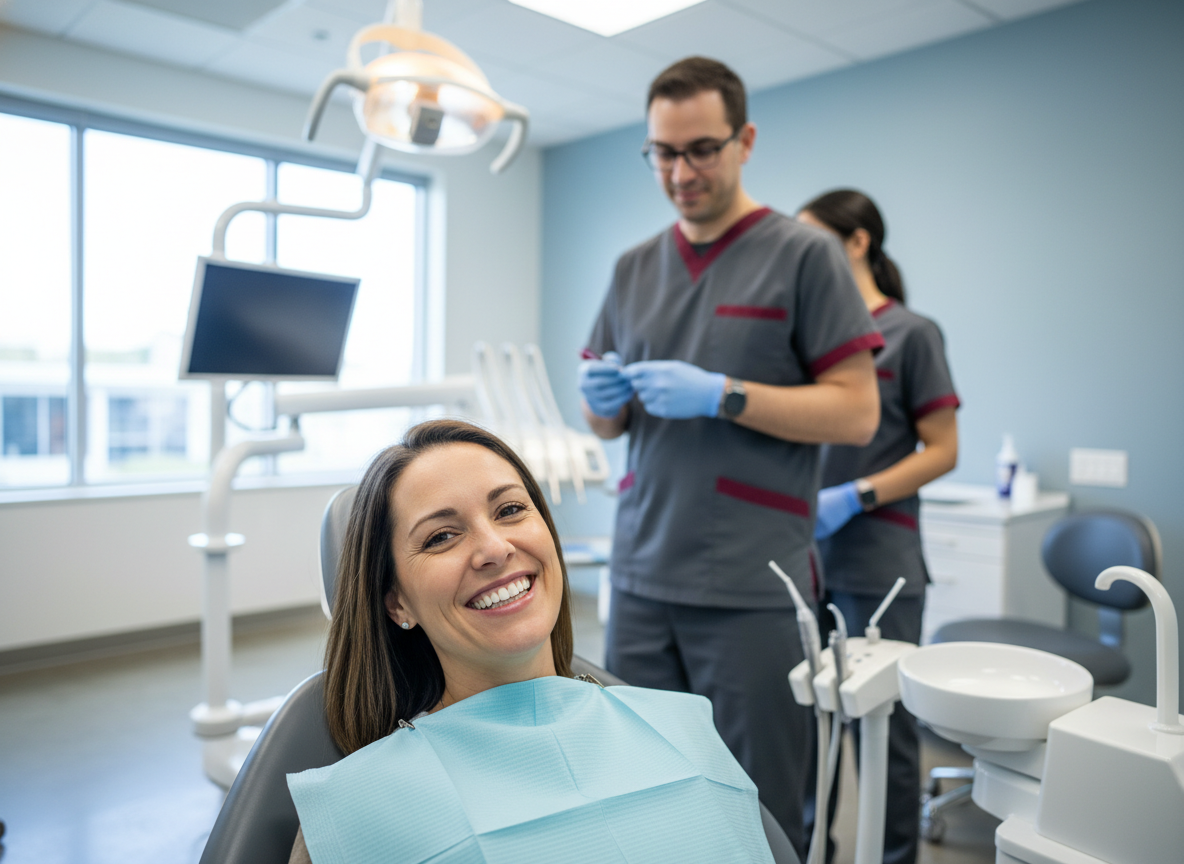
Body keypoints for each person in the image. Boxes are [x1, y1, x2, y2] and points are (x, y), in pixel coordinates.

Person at [578, 57, 883, 857]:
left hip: (752, 581)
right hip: (642, 572)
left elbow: (857, 411)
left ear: (745, 141)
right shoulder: (631, 268)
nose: (680, 173)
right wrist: (601, 403)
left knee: (759, 806)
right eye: (662, 153)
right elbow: (602, 423)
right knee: (641, 788)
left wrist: (724, 393)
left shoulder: (802, 256)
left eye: (702, 149)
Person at [285, 419, 778, 864]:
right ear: (397, 604)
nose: (495, 549)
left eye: (511, 509)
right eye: (441, 537)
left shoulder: (683, 728)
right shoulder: (356, 810)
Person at [798, 189, 960, 864]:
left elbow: (944, 450)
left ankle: (896, 857)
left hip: (878, 560)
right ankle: (814, 850)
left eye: (814, 241)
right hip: (805, 555)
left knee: (881, 729)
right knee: (814, 722)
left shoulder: (911, 333)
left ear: (857, 241)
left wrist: (856, 496)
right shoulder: (807, 338)